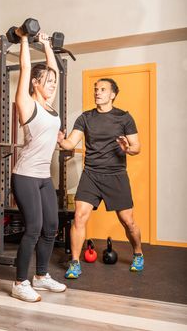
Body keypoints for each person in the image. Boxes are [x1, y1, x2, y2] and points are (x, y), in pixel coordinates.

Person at [57, 78, 144, 279]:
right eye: (96, 89)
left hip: (116, 175)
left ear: (113, 94)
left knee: (128, 221)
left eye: (103, 89)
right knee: (79, 216)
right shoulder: (85, 118)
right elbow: (71, 142)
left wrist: (127, 149)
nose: (98, 92)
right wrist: (62, 141)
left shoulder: (124, 118)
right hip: (91, 175)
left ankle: (138, 253)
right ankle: (75, 263)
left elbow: (137, 147)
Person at [11, 29, 66, 302]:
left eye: (54, 82)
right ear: (35, 83)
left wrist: (46, 46)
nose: (53, 84)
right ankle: (20, 282)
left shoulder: (50, 105)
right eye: (47, 81)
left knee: (51, 227)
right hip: (25, 176)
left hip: (44, 177)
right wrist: (24, 40)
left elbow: (54, 69)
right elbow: (25, 67)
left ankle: (41, 276)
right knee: (33, 227)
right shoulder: (27, 103)